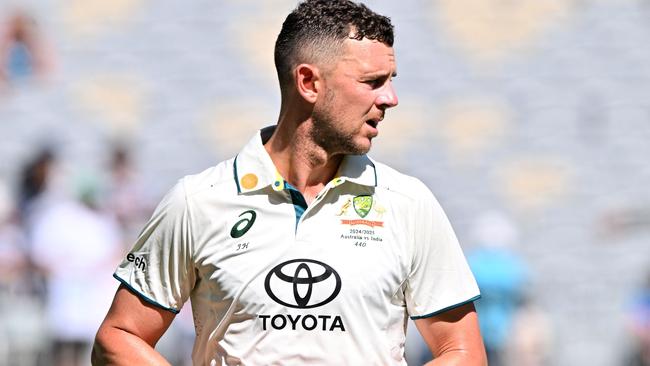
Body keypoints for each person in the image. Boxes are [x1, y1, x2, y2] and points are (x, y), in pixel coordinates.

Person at [92, 1, 486, 365]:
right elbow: (119, 336)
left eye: (391, 80)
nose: (391, 98)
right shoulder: (198, 201)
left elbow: (463, 352)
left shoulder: (408, 203)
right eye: (373, 81)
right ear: (308, 82)